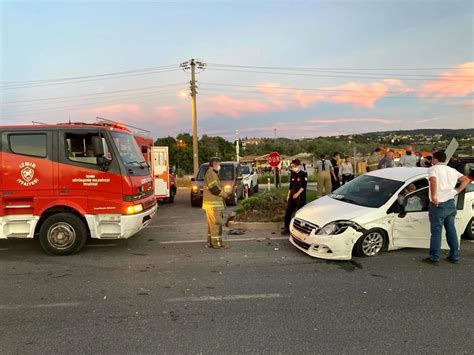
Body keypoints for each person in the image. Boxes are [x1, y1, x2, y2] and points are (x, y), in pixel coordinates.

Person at [423, 151, 470, 265]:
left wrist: (434, 196)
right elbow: (466, 179)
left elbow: (433, 180)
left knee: (436, 232)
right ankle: (454, 256)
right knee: (451, 230)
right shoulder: (452, 170)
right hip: (450, 203)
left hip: (438, 204)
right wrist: (457, 191)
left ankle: (434, 257)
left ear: (435, 159)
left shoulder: (433, 169)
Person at [202, 158, 229, 249]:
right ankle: (216, 243)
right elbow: (214, 189)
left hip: (211, 204)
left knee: (212, 225)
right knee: (216, 224)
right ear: (214, 164)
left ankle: (211, 242)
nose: (219, 166)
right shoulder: (211, 174)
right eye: (218, 164)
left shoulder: (212, 173)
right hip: (213, 205)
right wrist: (224, 194)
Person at [282, 159, 307, 235]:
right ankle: (286, 228)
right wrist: (288, 195)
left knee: (299, 215)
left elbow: (303, 186)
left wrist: (297, 194)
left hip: (300, 197)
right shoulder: (292, 173)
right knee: (288, 213)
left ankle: (299, 231)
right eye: (291, 166)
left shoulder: (303, 174)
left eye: (293, 166)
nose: (292, 168)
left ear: (298, 166)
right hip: (292, 197)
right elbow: (291, 185)